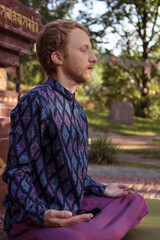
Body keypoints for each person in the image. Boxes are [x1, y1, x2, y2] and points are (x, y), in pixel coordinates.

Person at [3, 19, 149, 240]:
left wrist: (102, 189)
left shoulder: (78, 110)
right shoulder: (35, 101)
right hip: (36, 218)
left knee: (135, 201)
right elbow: (16, 172)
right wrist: (40, 212)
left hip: (72, 205)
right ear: (58, 57)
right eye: (84, 50)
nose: (94, 58)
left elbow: (72, 175)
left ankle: (88, 228)